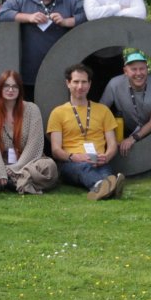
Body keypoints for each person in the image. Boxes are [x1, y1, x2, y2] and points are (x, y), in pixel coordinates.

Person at [0, 0, 85, 101]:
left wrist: (67, 21)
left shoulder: (70, 0)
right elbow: (2, 15)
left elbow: (87, 17)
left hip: (61, 72)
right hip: (28, 72)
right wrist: (28, 17)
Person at [47, 63, 124, 201]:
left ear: (89, 84)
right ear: (68, 83)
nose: (80, 87)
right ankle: (103, 185)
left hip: (99, 161)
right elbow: (55, 150)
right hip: (71, 163)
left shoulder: (103, 110)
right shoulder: (58, 113)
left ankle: (104, 187)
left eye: (84, 82)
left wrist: (106, 157)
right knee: (84, 169)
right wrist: (73, 157)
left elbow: (112, 144)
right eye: (76, 82)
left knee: (103, 171)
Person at [0, 70, 57, 194]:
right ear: (0, 89)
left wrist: (14, 169)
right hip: (0, 161)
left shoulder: (32, 110)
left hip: (28, 163)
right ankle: (13, 181)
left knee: (49, 167)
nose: (10, 90)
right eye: (6, 86)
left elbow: (34, 145)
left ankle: (7, 182)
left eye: (15, 86)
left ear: (20, 89)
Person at [100, 51, 151, 155]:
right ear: (125, 71)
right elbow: (100, 112)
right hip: (125, 128)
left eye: (142, 68)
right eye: (133, 69)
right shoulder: (114, 84)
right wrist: (111, 138)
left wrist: (133, 138)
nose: (139, 73)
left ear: (147, 69)